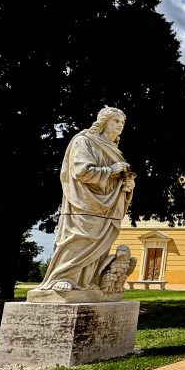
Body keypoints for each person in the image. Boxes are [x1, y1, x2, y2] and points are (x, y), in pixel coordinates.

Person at [36, 107, 136, 293]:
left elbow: (116, 180)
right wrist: (112, 170)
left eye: (122, 122)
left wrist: (126, 185)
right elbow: (81, 171)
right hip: (85, 202)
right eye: (116, 121)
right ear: (104, 121)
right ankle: (62, 276)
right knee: (79, 239)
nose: (120, 125)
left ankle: (89, 280)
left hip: (109, 204)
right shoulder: (84, 141)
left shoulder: (115, 150)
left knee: (101, 245)